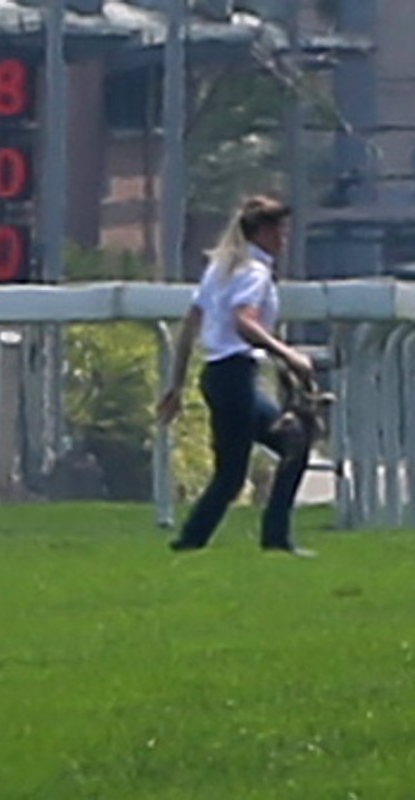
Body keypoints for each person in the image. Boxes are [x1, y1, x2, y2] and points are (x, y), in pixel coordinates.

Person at [156, 194, 315, 556]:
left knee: (291, 445)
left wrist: (177, 384)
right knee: (234, 474)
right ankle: (195, 541)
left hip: (217, 375)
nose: (283, 238)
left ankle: (268, 537)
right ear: (260, 231)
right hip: (236, 375)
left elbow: (190, 325)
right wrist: (289, 355)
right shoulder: (254, 273)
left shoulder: (220, 269)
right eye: (278, 230)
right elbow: (244, 323)